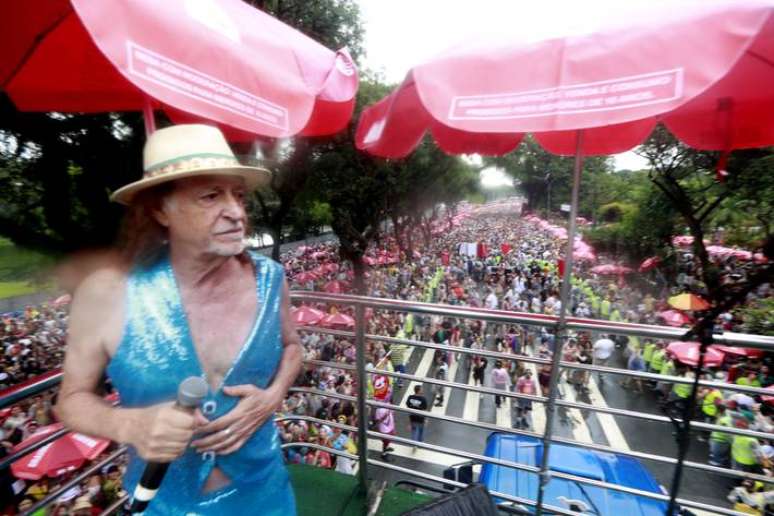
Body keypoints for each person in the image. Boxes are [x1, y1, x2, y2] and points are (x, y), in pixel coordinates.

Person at [55, 125, 302, 515]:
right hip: (164, 504)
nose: (237, 212)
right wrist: (129, 426)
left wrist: (272, 397)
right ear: (159, 209)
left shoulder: (270, 278)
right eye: (210, 196)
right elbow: (69, 401)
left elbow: (292, 347)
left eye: (238, 195)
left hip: (267, 494)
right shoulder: (106, 294)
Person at [406, 385, 429, 449]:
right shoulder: (423, 399)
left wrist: (409, 423)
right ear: (419, 391)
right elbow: (425, 410)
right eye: (422, 389)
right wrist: (426, 419)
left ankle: (414, 444)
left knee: (414, 431)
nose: (423, 390)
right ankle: (420, 442)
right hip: (421, 418)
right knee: (421, 431)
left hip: (412, 418)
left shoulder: (410, 397)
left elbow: (408, 408)